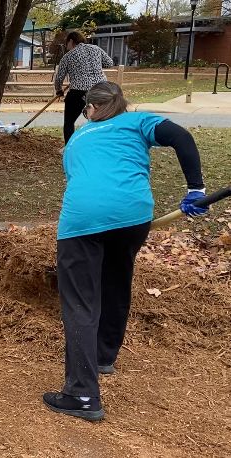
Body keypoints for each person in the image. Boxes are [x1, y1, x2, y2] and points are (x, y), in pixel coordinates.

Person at [43, 82, 209, 421]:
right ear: (122, 104)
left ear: (89, 109)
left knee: (80, 303)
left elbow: (85, 181)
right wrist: (196, 188)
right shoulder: (137, 122)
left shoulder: (77, 139)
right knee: (116, 281)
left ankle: (82, 395)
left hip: (83, 221)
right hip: (133, 217)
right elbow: (182, 137)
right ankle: (104, 357)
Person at [53, 31, 113, 144]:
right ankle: (102, 144)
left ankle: (69, 147)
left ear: (71, 41)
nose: (67, 47)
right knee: (101, 120)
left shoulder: (68, 56)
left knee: (69, 122)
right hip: (101, 89)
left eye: (67, 44)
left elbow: (59, 77)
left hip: (78, 92)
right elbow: (109, 63)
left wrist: (59, 90)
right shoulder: (96, 49)